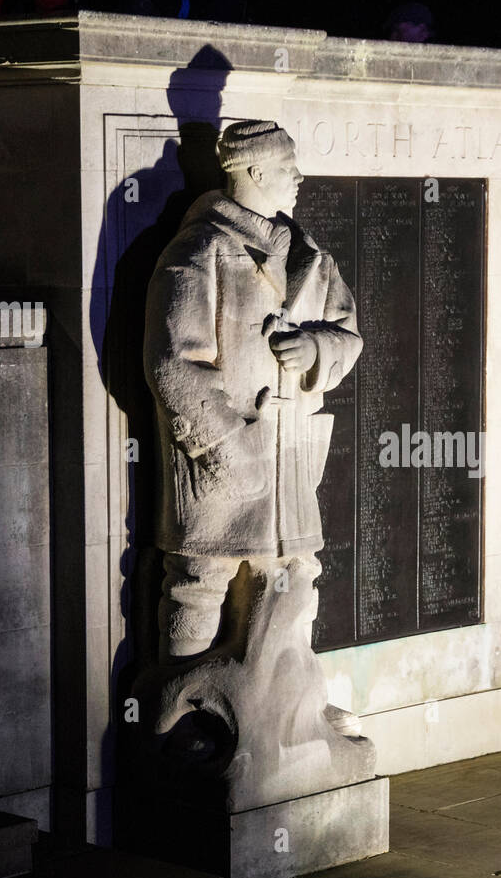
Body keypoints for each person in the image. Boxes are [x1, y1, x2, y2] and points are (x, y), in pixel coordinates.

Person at [143, 120, 361, 664]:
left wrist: (315, 349)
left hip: (290, 460)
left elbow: (348, 335)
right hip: (223, 461)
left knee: (296, 577)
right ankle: (180, 700)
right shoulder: (201, 247)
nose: (299, 177)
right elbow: (173, 361)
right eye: (289, 167)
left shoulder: (311, 258)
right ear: (256, 171)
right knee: (199, 581)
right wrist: (228, 451)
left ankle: (286, 696)